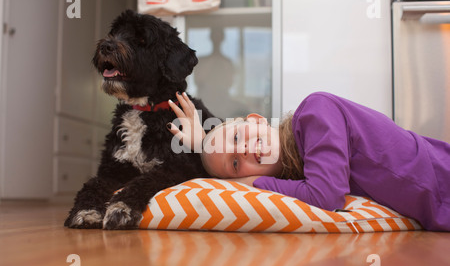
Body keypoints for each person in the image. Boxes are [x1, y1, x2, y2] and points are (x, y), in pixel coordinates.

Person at [168, 91, 450, 231]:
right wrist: (201, 146)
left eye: (238, 136)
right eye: (234, 164)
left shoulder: (315, 112)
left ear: (256, 119)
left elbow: (327, 197)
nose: (241, 150)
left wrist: (251, 180)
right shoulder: (302, 172)